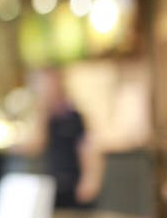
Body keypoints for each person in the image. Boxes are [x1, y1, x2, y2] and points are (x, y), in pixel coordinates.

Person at [19, 69, 105, 208]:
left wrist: (90, 179)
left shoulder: (74, 116)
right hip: (50, 185)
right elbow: (34, 145)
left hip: (74, 184)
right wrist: (41, 113)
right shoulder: (44, 119)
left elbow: (89, 148)